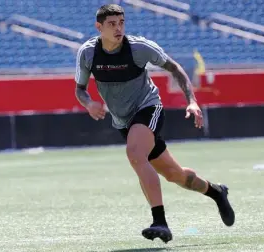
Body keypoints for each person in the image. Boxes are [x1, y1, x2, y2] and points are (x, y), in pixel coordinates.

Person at [74, 4, 235, 243]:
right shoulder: (87, 53)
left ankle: (160, 221)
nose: (118, 28)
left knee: (135, 154)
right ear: (99, 27)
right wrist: (88, 104)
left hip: (148, 108)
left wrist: (191, 101)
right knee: (175, 174)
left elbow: (175, 68)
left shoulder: (139, 48)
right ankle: (216, 192)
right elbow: (80, 89)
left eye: (121, 23)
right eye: (112, 24)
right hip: (123, 122)